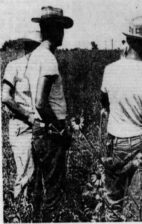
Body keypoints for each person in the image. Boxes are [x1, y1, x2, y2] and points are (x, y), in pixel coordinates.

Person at [100, 16, 142, 221]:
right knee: (137, 205)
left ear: (128, 41)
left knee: (112, 203)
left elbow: (105, 105)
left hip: (114, 141)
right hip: (140, 143)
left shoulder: (110, 71)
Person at [25, 6, 73, 221]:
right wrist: (60, 129)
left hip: (38, 129)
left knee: (37, 188)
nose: (62, 33)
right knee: (54, 191)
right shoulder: (49, 59)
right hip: (49, 133)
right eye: (60, 28)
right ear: (52, 30)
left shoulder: (35, 56)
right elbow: (41, 102)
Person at [2, 31, 41, 202]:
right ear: (27, 47)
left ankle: (32, 212)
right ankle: (19, 211)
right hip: (21, 126)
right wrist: (28, 116)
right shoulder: (14, 66)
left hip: (39, 127)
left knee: (38, 174)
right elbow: (5, 97)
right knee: (26, 173)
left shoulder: (41, 69)